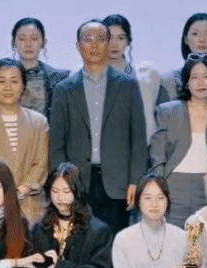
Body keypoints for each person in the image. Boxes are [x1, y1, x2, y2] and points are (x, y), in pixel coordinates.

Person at [49, 19, 148, 234]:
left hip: (117, 183)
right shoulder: (63, 89)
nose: (94, 45)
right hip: (75, 183)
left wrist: (135, 181)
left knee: (115, 244)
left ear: (108, 43)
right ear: (78, 46)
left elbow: (138, 139)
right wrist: (60, 182)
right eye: (88, 39)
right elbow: (56, 143)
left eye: (100, 39)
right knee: (77, 243)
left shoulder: (127, 85)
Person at [149, 55, 207, 224]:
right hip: (172, 185)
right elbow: (157, 153)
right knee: (172, 235)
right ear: (186, 82)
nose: (200, 83)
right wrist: (159, 186)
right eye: (194, 77)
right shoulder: (167, 111)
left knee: (201, 238)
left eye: (206, 77)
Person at [0, 58, 50, 222]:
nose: (8, 87)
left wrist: (21, 190)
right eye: (1, 81)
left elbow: (41, 164)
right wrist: (0, 193)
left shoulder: (39, 122)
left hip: (30, 205)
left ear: (23, 86)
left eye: (14, 81)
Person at [0, 17, 70, 120]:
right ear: (13, 42)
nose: (28, 44)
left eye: (34, 39)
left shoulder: (62, 79)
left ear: (44, 42)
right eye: (22, 39)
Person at [102, 14, 163, 138]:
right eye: (110, 38)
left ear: (128, 41)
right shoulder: (87, 75)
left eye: (121, 38)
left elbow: (156, 116)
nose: (114, 44)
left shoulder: (147, 74)